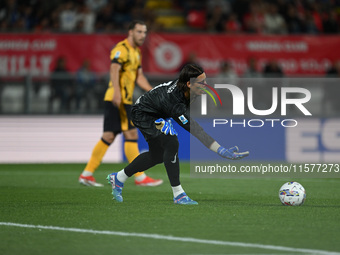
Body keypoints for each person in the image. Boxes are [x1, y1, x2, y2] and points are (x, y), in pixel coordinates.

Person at [106, 63, 249, 205]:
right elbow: (195, 129)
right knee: (171, 142)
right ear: (188, 83)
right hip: (143, 114)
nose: (206, 85)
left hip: (156, 112)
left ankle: (118, 178)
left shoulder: (188, 90)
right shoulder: (175, 103)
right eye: (202, 82)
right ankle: (178, 194)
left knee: (157, 156)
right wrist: (220, 150)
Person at [79, 20, 163, 187]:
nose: (142, 36)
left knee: (108, 136)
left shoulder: (136, 53)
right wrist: (117, 92)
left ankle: (87, 174)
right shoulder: (121, 49)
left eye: (144, 32)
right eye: (139, 32)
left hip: (122, 99)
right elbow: (114, 70)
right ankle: (140, 177)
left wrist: (153, 92)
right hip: (119, 98)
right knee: (131, 135)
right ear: (130, 32)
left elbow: (139, 77)